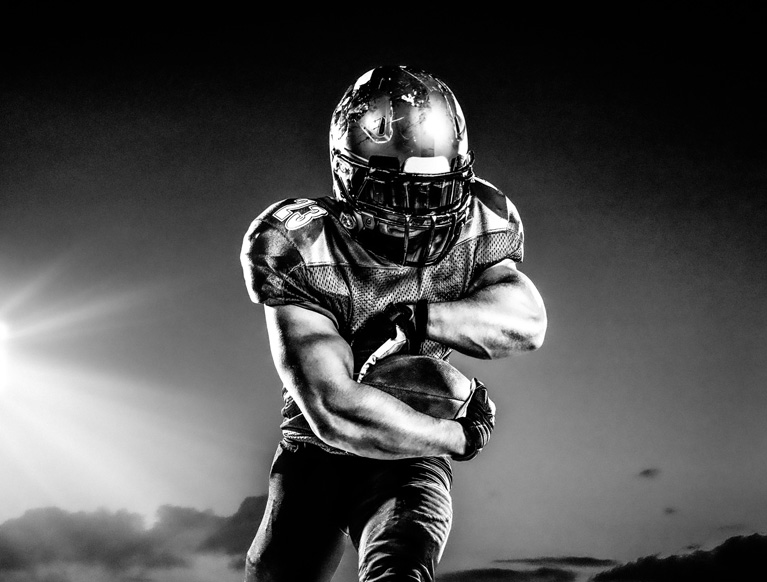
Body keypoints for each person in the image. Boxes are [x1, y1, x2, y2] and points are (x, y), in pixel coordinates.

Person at [240, 65, 547, 582]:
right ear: (349, 176)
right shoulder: (301, 242)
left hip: (410, 452)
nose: (415, 217)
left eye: (430, 194)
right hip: (315, 451)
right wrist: (456, 436)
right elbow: (334, 409)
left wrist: (419, 320)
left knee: (400, 570)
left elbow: (527, 323)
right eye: (395, 194)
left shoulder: (481, 221)